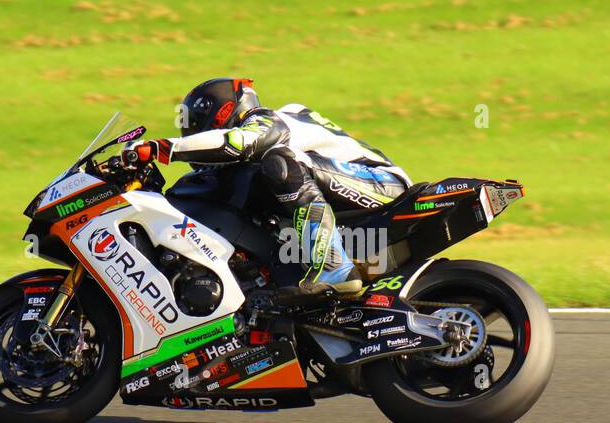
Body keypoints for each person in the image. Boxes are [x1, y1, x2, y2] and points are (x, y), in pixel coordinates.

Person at [125, 77, 410, 299]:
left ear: (224, 112)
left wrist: (163, 149)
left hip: (382, 184)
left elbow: (238, 143)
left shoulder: (268, 120)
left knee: (281, 162)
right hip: (341, 193)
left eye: (199, 129)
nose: (194, 138)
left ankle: (333, 266)